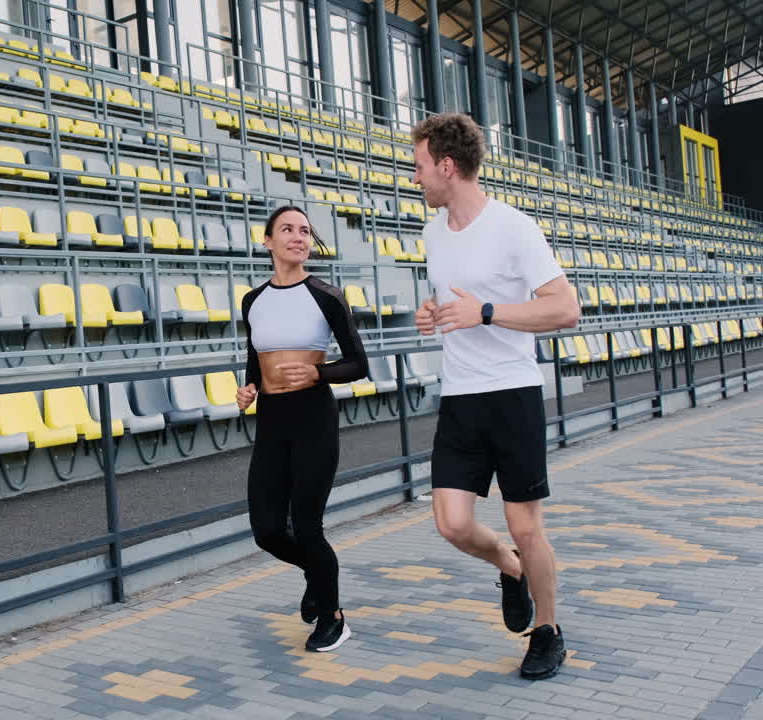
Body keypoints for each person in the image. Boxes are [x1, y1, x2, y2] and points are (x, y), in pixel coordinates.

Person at [410, 113, 581, 680]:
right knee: (452, 525)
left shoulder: (514, 228)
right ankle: (510, 569)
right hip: (460, 397)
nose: (415, 178)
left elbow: (564, 309)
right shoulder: (434, 232)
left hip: (512, 394)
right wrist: (435, 314)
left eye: (419, 166)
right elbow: (451, 302)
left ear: (447, 166)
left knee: (526, 526)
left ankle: (548, 631)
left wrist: (485, 310)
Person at [236, 205, 370, 653]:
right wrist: (250, 386)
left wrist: (319, 374)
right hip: (272, 423)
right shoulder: (252, 301)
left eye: (305, 230)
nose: (298, 236)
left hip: (314, 419)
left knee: (308, 526)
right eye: (288, 230)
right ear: (268, 241)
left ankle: (333, 616)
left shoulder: (327, 296)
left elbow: (358, 364)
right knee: (268, 530)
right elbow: (255, 356)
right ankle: (317, 572)